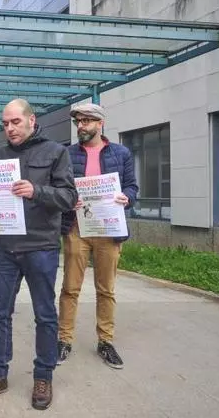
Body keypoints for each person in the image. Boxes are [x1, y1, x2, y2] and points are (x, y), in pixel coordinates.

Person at [0, 99, 77, 411]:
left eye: (15, 122)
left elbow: (69, 196)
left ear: (31, 120)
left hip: (41, 246)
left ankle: (43, 377)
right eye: (5, 124)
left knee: (45, 315)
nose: (10, 128)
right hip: (5, 247)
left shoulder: (56, 152)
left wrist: (36, 191)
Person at [58, 103, 138, 369]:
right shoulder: (68, 154)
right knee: (70, 288)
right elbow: (60, 187)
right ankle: (64, 339)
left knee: (106, 289)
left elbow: (132, 186)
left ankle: (106, 341)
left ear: (100, 123)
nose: (80, 126)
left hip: (109, 230)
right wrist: (69, 200)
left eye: (86, 121)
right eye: (78, 122)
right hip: (76, 229)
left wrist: (127, 198)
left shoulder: (121, 153)